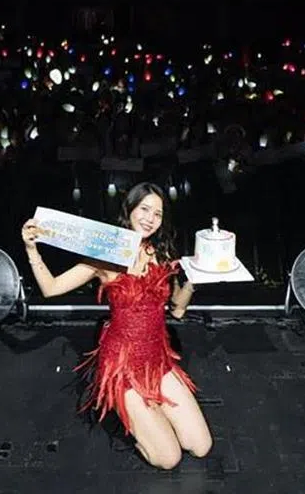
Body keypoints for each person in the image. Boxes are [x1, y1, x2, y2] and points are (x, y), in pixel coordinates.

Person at [21, 182, 213, 470]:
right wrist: (31, 249)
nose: (150, 218)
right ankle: (131, 415)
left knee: (201, 447)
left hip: (157, 362)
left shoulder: (160, 253)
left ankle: (152, 412)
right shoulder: (107, 253)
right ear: (130, 210)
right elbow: (51, 288)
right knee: (168, 459)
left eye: (157, 214)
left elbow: (178, 310)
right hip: (123, 367)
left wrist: (195, 280)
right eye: (144, 209)